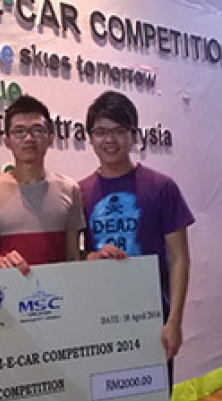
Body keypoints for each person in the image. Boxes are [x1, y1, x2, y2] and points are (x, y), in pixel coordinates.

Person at [79, 90, 194, 394]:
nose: (110, 140)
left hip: (151, 320)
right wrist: (90, 257)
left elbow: (180, 258)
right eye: (101, 132)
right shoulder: (79, 192)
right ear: (90, 137)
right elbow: (75, 257)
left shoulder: (161, 187)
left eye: (119, 131)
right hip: (99, 320)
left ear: (134, 135)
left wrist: (175, 321)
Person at [0, 95, 85, 274]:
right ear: (7, 141)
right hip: (11, 294)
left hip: (59, 294)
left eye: (37, 130)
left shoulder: (69, 189)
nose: (28, 138)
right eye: (19, 131)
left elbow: (72, 257)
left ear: (51, 138)